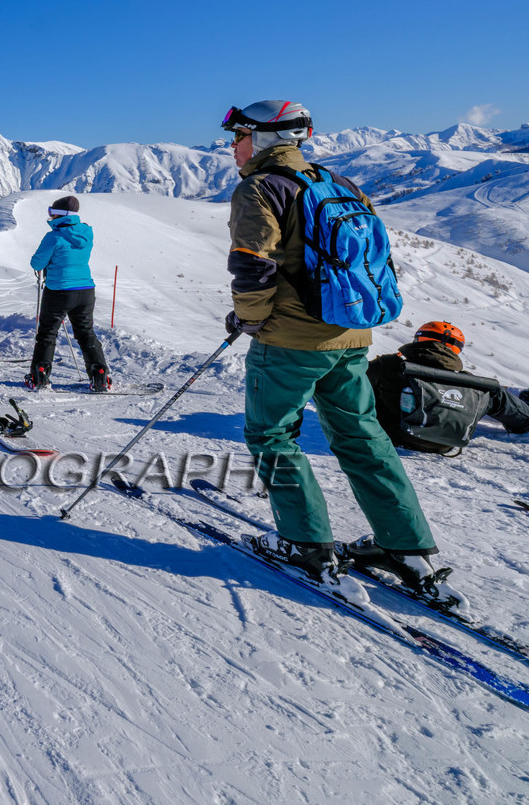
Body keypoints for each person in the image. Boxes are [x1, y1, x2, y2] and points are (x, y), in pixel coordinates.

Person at [222, 99, 444, 589]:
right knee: (362, 436)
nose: (231, 147)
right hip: (351, 335)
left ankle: (306, 544)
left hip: (291, 341)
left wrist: (249, 320)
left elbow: (252, 265)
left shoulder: (260, 187)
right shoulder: (337, 183)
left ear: (259, 138)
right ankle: (405, 544)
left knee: (272, 435)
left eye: (236, 136)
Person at [367, 321, 529, 447]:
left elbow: (353, 387)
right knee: (494, 393)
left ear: (418, 340)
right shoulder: (471, 385)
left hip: (394, 436)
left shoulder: (390, 365)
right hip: (445, 446)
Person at [26, 195, 111, 392]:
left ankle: (40, 376)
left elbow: (37, 263)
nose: (50, 216)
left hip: (59, 291)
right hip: (86, 290)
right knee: (86, 333)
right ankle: (99, 375)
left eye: (52, 212)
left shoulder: (54, 237)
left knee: (47, 333)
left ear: (60, 214)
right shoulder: (87, 233)